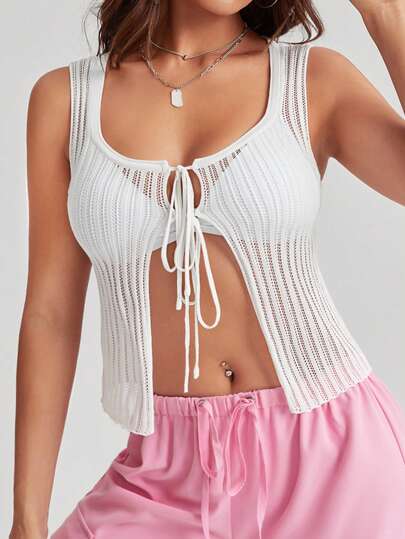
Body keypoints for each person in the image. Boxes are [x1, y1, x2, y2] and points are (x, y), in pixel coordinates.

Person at [9, 0, 405, 538]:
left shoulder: (313, 80)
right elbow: (51, 315)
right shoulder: (66, 100)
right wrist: (27, 519)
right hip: (164, 474)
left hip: (335, 459)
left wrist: (386, 13)